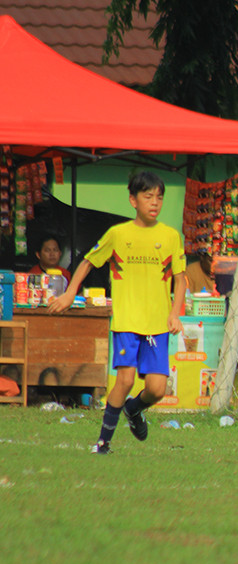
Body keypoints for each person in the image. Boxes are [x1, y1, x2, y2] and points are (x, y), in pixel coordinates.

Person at [49, 171, 186, 454]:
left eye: (159, 197)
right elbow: (87, 262)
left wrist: (175, 314)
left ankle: (134, 410)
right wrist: (70, 292)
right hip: (126, 322)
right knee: (124, 379)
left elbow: (181, 278)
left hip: (158, 325)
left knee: (158, 389)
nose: (155, 203)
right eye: (148, 197)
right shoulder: (118, 234)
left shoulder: (170, 236)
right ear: (132, 200)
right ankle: (103, 442)